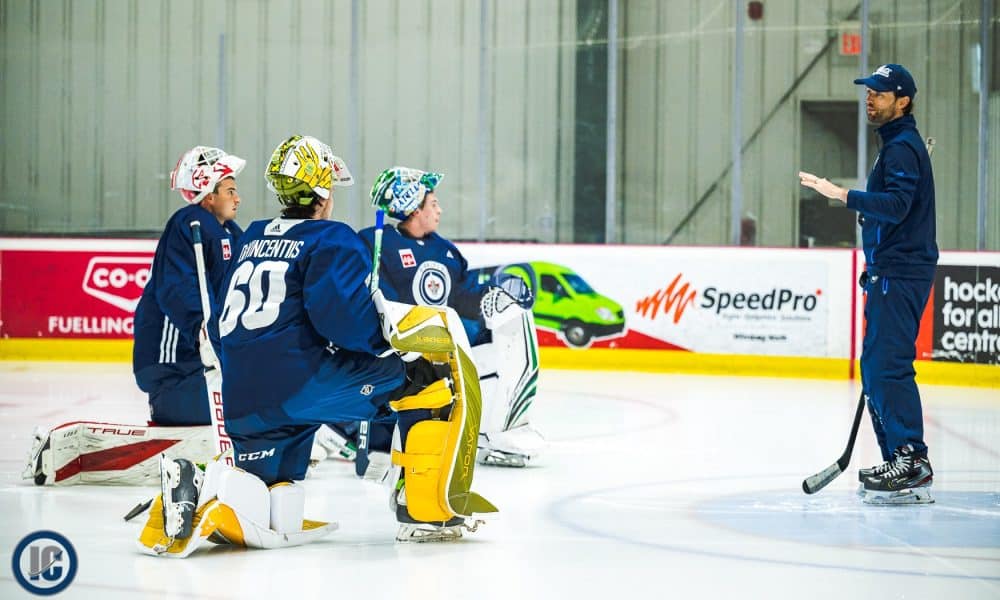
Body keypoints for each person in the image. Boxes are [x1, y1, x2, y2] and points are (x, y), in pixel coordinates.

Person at [134, 135, 496, 557]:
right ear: (322, 193)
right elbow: (345, 323)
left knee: (269, 499)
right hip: (299, 387)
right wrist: (389, 344)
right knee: (428, 380)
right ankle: (424, 513)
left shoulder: (251, 236)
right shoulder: (331, 238)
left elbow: (220, 323)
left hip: (241, 401)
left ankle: (199, 485)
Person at [22, 146, 244, 486]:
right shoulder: (190, 223)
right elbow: (176, 289)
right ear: (208, 194)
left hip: (199, 370)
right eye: (230, 190)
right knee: (245, 409)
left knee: (254, 398)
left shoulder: (228, 231)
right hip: (175, 374)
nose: (238, 198)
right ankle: (65, 453)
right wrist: (202, 329)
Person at [799, 63, 937, 505]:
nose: (870, 98)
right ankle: (897, 459)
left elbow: (896, 206)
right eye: (869, 91)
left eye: (879, 93)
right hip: (889, 270)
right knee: (877, 365)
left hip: (900, 270)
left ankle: (911, 459)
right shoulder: (896, 145)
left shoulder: (902, 148)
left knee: (887, 365)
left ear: (903, 101)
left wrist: (841, 195)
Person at [357, 167, 544, 468]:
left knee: (514, 318)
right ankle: (342, 427)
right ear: (413, 208)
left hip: (445, 344)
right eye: (433, 204)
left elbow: (463, 297)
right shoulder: (376, 243)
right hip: (402, 350)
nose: (439, 210)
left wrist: (494, 295)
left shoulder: (444, 250)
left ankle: (500, 428)